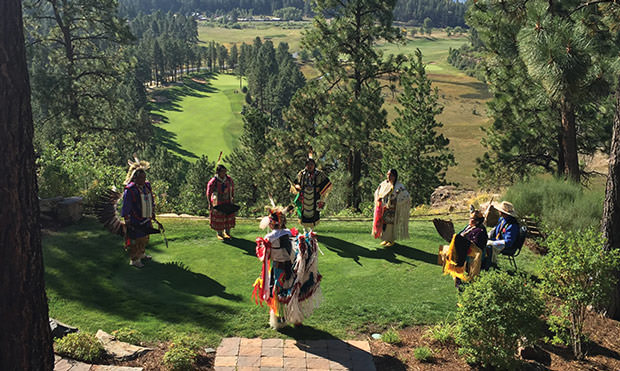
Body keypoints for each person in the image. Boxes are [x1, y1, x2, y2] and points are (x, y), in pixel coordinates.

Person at [252, 205, 322, 330]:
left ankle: (280, 321)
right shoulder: (289, 232)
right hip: (292, 267)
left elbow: (264, 256)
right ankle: (297, 319)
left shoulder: (269, 237)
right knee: (293, 291)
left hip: (278, 269)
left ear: (272, 223)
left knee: (278, 293)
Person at [121, 157, 158, 268]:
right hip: (135, 218)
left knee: (145, 237)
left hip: (146, 216)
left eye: (144, 177)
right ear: (135, 178)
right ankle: (134, 259)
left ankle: (142, 254)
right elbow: (126, 206)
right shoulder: (130, 189)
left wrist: (152, 211)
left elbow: (151, 199)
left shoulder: (146, 186)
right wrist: (127, 219)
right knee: (136, 239)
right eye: (141, 178)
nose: (143, 180)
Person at [446, 208, 488, 289]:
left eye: (472, 219)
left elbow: (477, 245)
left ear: (477, 221)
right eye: (470, 218)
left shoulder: (480, 231)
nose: (470, 220)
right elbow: (460, 235)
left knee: (459, 257)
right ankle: (458, 278)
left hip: (473, 253)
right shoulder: (469, 227)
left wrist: (463, 242)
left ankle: (462, 280)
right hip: (464, 249)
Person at [372, 169, 411, 247]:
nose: (389, 176)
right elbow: (377, 192)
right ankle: (385, 239)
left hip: (393, 209)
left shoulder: (399, 186)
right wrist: (378, 198)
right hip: (383, 208)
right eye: (387, 174)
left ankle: (391, 240)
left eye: (391, 175)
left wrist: (397, 201)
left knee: (391, 225)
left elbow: (407, 196)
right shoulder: (383, 184)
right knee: (384, 225)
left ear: (395, 176)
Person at [293, 157, 332, 229]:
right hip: (304, 197)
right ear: (306, 165)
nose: (310, 166)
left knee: (314, 213)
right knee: (303, 213)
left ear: (314, 165)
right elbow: (296, 182)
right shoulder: (301, 173)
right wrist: (297, 186)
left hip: (315, 197)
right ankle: (305, 230)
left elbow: (327, 183)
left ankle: (312, 231)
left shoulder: (320, 174)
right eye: (308, 164)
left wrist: (319, 188)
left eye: (311, 164)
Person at [206, 165, 236, 240]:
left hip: (228, 201)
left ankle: (227, 233)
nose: (224, 173)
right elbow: (209, 193)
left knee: (228, 216)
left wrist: (232, 197)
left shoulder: (229, 179)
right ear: (218, 172)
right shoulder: (213, 181)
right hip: (218, 202)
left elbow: (232, 188)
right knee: (219, 217)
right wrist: (210, 203)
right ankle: (220, 233)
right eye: (223, 171)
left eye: (225, 171)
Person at [487, 201, 520, 265]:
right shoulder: (502, 220)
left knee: (488, 245)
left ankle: (490, 263)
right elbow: (495, 229)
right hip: (497, 239)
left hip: (506, 245)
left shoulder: (512, 225)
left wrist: (493, 243)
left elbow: (508, 241)